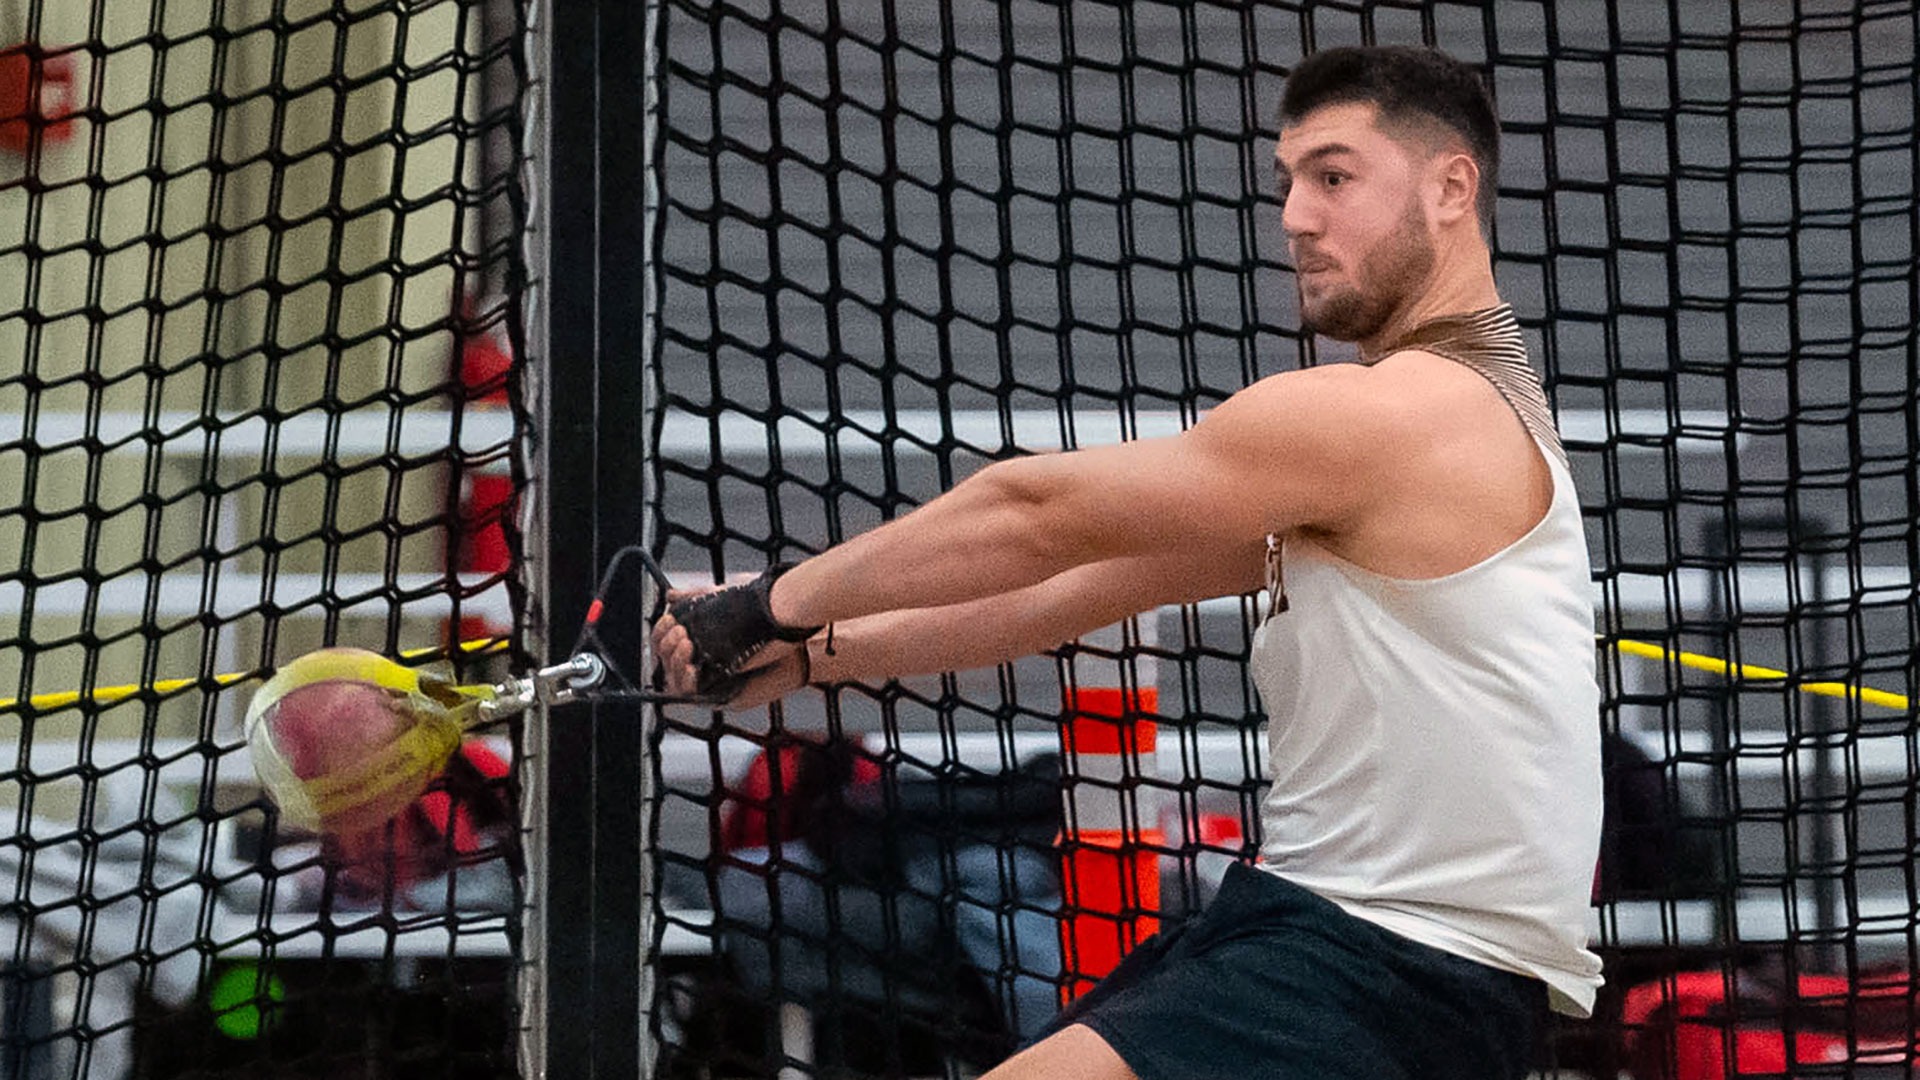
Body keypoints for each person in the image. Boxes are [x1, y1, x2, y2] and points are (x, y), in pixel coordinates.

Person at [653, 44, 1603, 1080]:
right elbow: (1070, 593)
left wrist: (762, 605)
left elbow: (1032, 512)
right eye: (1288, 180)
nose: (1295, 214)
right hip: (1321, 932)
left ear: (1451, 186)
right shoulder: (1444, 421)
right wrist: (813, 654)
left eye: (1333, 176)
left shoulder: (1402, 412)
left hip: (1393, 964)